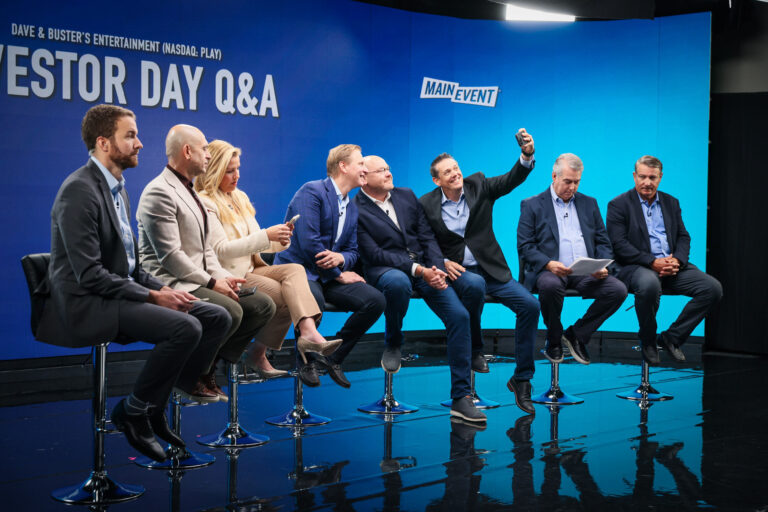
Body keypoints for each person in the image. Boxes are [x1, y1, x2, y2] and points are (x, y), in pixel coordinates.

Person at [36, 105, 231, 462]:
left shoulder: (118, 189)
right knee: (185, 328)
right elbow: (90, 274)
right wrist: (154, 296)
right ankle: (135, 410)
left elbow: (130, 265)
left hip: (115, 294)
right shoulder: (78, 190)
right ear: (103, 143)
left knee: (216, 316)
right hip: (86, 302)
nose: (140, 143)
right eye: (130, 135)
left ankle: (154, 403)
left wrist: (163, 289)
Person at [136, 124, 276, 401]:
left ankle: (208, 365)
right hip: (170, 280)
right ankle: (190, 375)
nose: (209, 156)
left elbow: (206, 250)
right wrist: (213, 282)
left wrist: (221, 277)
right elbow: (170, 257)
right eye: (204, 150)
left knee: (262, 305)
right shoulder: (159, 192)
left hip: (198, 277)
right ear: (187, 151)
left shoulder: (192, 193)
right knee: (231, 311)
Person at [355, 155, 487, 423]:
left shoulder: (405, 195)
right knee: (397, 282)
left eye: (388, 167)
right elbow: (374, 254)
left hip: (426, 269)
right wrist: (419, 270)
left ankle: (461, 398)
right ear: (364, 178)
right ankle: (393, 341)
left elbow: (427, 236)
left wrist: (436, 268)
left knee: (459, 316)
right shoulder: (354, 208)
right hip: (387, 269)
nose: (389, 173)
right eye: (381, 170)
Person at [195, 139, 341, 380]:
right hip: (229, 275)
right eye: (230, 171)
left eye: (238, 169)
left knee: (294, 269)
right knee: (284, 297)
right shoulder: (205, 201)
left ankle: (307, 333)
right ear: (214, 171)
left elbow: (256, 241)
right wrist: (266, 236)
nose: (237, 175)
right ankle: (261, 352)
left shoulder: (238, 197)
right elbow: (221, 250)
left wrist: (280, 239)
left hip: (252, 268)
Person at [420, 129, 541, 415]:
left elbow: (512, 180)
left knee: (530, 305)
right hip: (458, 274)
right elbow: (422, 241)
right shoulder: (426, 204)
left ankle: (522, 379)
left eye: (456, 168)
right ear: (436, 180)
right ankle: (476, 349)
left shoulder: (479, 185)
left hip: (492, 270)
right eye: (447, 172)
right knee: (472, 285)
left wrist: (526, 155)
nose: (454, 174)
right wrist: (442, 262)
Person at [274, 144, 385, 388]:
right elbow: (309, 244)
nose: (366, 169)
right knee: (314, 298)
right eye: (361, 164)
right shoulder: (311, 191)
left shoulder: (352, 207)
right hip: (299, 273)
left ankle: (333, 357)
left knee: (375, 300)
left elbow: (354, 251)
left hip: (327, 276)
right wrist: (339, 273)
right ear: (343, 166)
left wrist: (342, 260)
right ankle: (308, 360)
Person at [606, 155, 722, 363]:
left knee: (712, 288)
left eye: (652, 177)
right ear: (634, 176)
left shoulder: (671, 202)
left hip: (671, 265)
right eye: (642, 177)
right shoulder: (618, 204)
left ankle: (672, 338)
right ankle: (648, 340)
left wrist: (677, 260)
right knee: (649, 285)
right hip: (638, 266)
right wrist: (652, 262)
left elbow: (683, 236)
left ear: (660, 177)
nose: (647, 182)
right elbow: (619, 245)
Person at [517, 153, 627, 364]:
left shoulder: (589, 203)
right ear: (554, 176)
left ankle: (577, 334)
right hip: (551, 271)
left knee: (618, 290)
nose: (572, 187)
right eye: (568, 181)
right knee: (549, 286)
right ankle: (554, 338)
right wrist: (548, 263)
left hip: (585, 271)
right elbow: (525, 246)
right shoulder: (532, 205)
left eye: (577, 182)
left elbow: (603, 242)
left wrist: (601, 265)